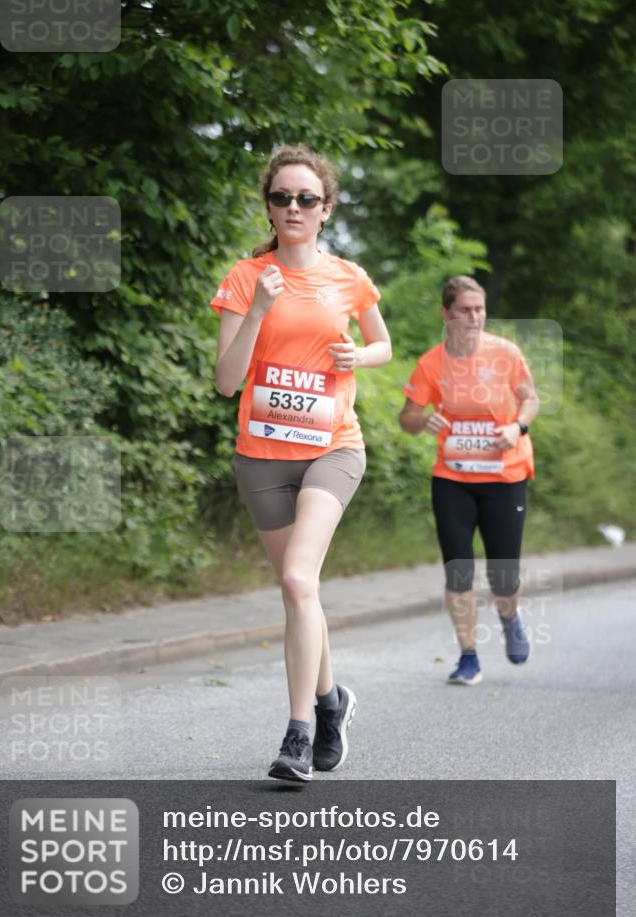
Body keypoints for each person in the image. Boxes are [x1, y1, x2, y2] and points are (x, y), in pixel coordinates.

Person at [210, 144, 391, 780]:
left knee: (296, 581)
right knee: (300, 595)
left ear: (326, 209)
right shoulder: (243, 277)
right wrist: (258, 307)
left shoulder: (349, 276)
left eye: (306, 198)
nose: (293, 207)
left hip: (332, 448)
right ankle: (332, 701)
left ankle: (297, 734)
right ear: (269, 207)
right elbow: (227, 382)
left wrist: (358, 359)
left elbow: (383, 344)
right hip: (261, 455)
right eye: (282, 197)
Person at [399, 276, 539, 685]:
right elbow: (406, 419)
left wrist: (518, 427)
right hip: (453, 478)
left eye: (479, 309)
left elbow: (530, 398)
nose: (475, 317)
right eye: (465, 310)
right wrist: (423, 419)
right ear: (446, 314)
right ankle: (468, 656)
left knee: (503, 576)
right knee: (458, 569)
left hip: (505, 475)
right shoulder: (431, 363)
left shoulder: (506, 353)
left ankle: (509, 616)